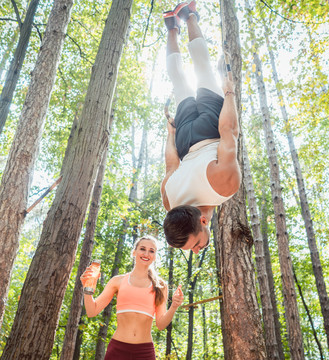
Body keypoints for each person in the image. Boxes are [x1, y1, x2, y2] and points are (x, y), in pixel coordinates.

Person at [161, 1, 241, 254]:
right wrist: (171, 134)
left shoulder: (225, 187)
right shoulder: (169, 204)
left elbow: (229, 133)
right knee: (179, 79)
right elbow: (171, 165)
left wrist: (229, 93)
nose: (197, 250)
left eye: (195, 244)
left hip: (210, 128)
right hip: (183, 138)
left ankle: (189, 14)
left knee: (202, 67)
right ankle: (171, 26)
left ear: (204, 222)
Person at [80, 235, 184, 359]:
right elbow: (92, 311)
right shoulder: (117, 281)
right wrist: (87, 288)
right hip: (117, 349)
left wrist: (174, 306)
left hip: (144, 352)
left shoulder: (160, 285)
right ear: (134, 252)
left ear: (155, 257)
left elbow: (160, 325)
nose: (146, 253)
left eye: (151, 251)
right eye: (142, 249)